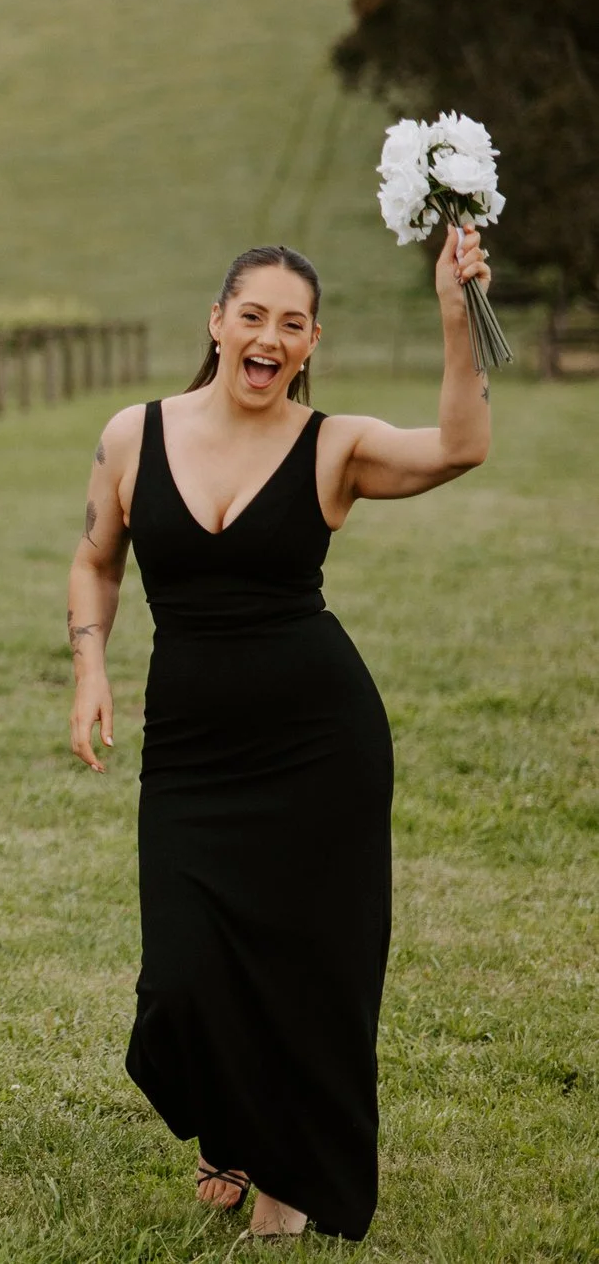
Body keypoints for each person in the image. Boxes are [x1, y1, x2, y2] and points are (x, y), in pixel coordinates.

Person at [67, 234, 492, 1241]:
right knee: (179, 978)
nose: (269, 335)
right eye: (251, 314)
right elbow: (94, 558)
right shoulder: (133, 433)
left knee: (311, 965)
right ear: (216, 322)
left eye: (291, 323)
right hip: (189, 744)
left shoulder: (334, 443)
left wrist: (454, 310)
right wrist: (90, 664)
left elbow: (458, 446)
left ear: (309, 344)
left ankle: (284, 1185)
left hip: (317, 743)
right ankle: (230, 1115)